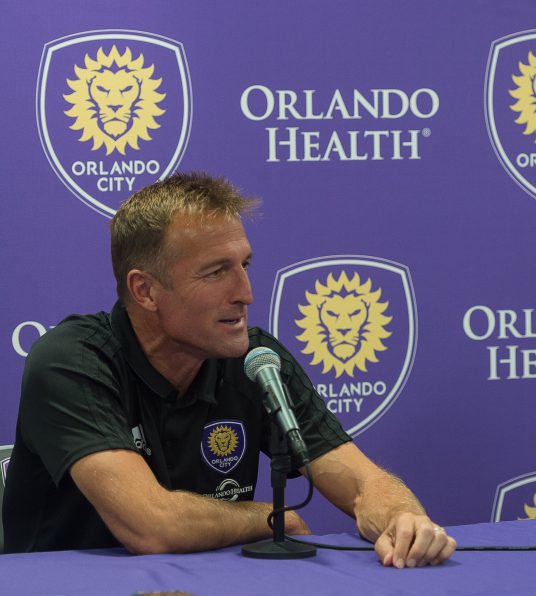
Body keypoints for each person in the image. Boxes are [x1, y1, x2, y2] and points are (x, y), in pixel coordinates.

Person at [2, 172, 456, 567]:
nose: (246, 293)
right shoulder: (72, 361)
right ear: (144, 290)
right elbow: (153, 526)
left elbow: (362, 483)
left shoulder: (257, 361)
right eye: (217, 271)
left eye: (244, 265)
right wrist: (271, 518)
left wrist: (402, 519)